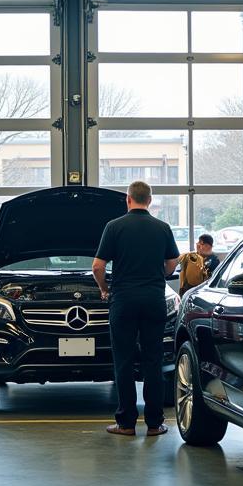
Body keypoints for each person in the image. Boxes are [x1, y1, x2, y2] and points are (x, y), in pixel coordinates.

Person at [92, 180, 179, 437]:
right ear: (149, 201)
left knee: (124, 361)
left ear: (128, 199)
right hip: (153, 299)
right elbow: (172, 262)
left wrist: (105, 288)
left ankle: (126, 423)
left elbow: (97, 266)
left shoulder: (114, 227)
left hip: (123, 300)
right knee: (153, 360)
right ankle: (155, 424)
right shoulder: (162, 228)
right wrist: (157, 275)